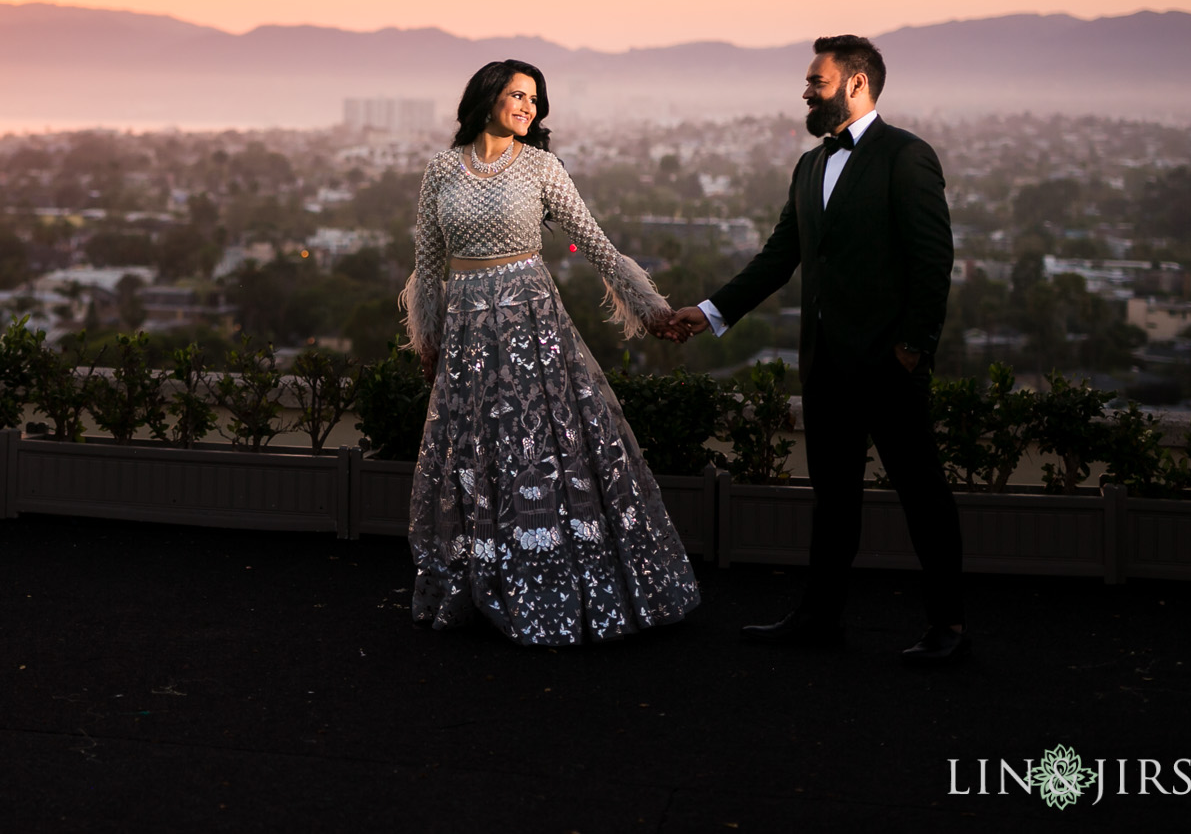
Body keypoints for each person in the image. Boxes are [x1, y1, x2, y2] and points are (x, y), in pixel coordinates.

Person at [655, 34, 964, 664]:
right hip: (825, 364)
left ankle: (949, 627)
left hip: (888, 365)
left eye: (816, 81)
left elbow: (934, 263)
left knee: (922, 497)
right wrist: (712, 311)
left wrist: (911, 350)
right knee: (833, 500)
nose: (805, 91)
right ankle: (820, 618)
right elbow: (780, 258)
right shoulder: (810, 166)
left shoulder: (908, 156)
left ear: (856, 83)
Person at [404, 59, 700, 645]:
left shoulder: (541, 168)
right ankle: (482, 579)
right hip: (465, 336)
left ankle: (553, 583)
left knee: (540, 450)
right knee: (476, 453)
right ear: (486, 97)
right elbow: (427, 267)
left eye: (535, 99)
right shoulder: (441, 171)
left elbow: (596, 244)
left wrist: (651, 311)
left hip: (532, 332)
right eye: (517, 95)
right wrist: (428, 339)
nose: (528, 107)